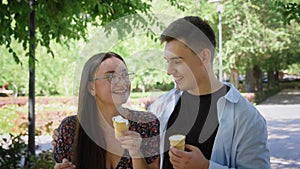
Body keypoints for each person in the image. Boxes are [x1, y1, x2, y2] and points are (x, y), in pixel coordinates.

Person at [147, 16, 270, 169]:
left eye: (177, 61)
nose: (169, 71)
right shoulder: (160, 107)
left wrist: (206, 167)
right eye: (168, 61)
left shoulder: (247, 118)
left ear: (204, 56)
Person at [53, 52, 160, 169]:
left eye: (125, 75)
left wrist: (136, 154)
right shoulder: (70, 128)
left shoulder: (146, 123)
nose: (122, 82)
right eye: (110, 77)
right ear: (91, 88)